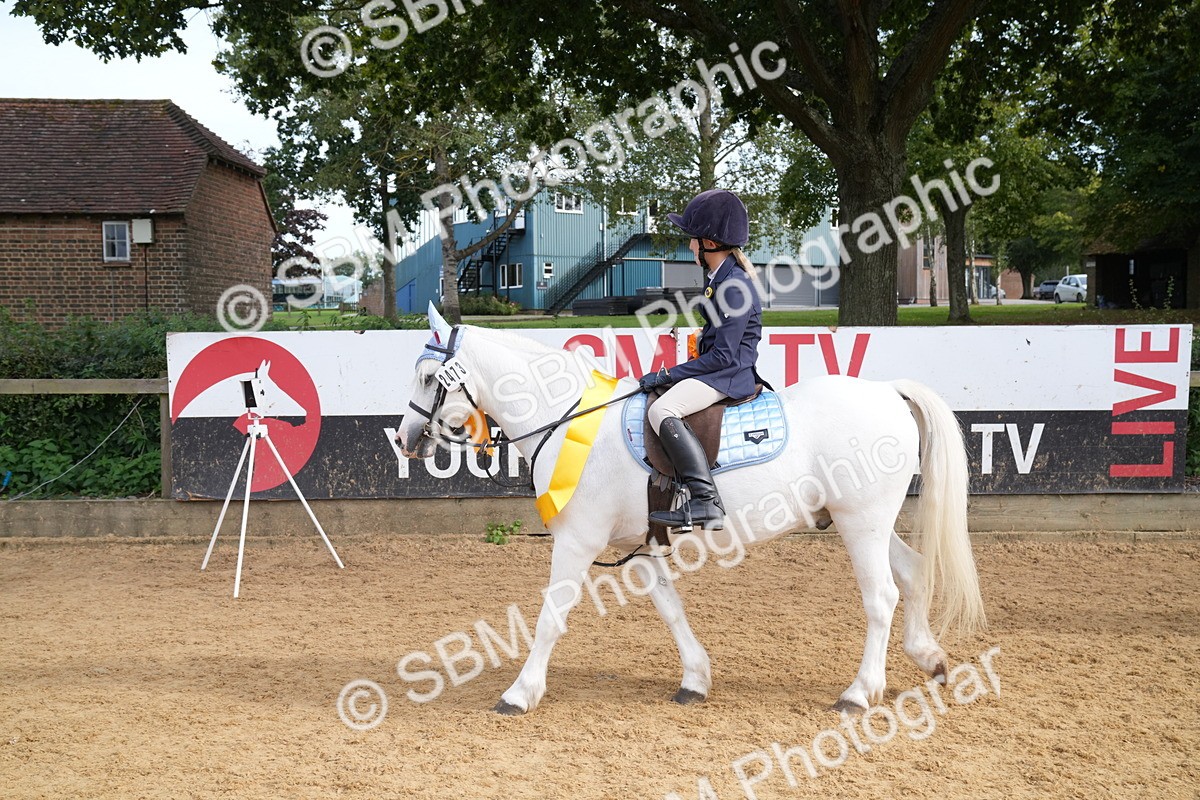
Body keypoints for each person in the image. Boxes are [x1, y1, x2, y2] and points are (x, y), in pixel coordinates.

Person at [638, 189, 762, 530]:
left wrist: (668, 375)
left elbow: (722, 356)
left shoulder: (733, 286)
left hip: (729, 376)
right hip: (724, 370)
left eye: (693, 240)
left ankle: (705, 501)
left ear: (708, 243)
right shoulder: (722, 280)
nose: (690, 246)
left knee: (662, 409)